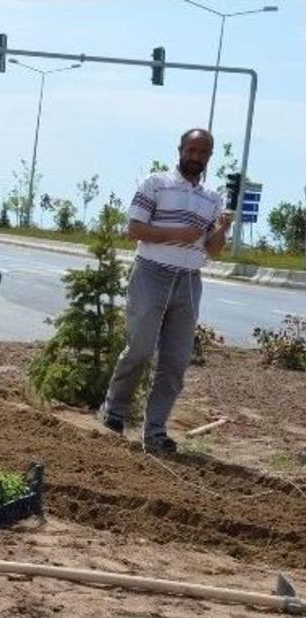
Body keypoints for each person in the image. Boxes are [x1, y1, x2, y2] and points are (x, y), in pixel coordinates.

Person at [99, 128, 232, 454]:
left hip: (188, 281)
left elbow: (213, 251)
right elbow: (134, 229)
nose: (196, 157)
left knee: (175, 361)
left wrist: (222, 228)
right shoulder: (155, 183)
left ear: (209, 157)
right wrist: (178, 233)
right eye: (191, 150)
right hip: (151, 274)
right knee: (140, 349)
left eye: (202, 152)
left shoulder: (212, 198)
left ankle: (155, 431)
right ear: (180, 149)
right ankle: (114, 410)